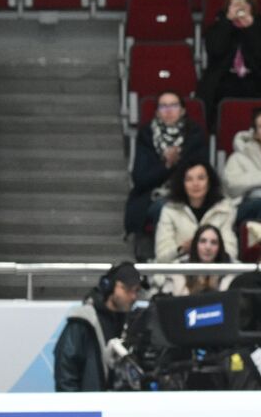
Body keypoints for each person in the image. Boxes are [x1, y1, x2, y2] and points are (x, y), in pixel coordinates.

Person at [124, 90, 209, 248]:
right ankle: (163, 255)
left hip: (190, 194)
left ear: (182, 110)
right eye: (163, 106)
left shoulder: (195, 134)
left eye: (173, 105)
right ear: (157, 112)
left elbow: (202, 172)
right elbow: (140, 179)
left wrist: (179, 161)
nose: (169, 110)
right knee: (164, 207)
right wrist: (167, 166)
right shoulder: (147, 135)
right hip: (153, 196)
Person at [197, 0, 261, 126]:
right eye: (235, 4)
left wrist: (251, 28)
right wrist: (227, 22)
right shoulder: (218, 26)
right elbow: (215, 50)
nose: (240, 7)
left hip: (255, 78)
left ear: (252, 8)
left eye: (245, 4)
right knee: (213, 94)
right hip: (224, 78)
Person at [53, 263, 143, 391]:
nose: (133, 296)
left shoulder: (135, 321)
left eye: (137, 290)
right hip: (90, 407)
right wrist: (75, 406)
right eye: (127, 289)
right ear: (109, 286)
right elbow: (66, 370)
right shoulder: (83, 322)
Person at [155, 159, 240, 262]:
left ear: (209, 182)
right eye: (189, 179)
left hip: (215, 270)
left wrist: (210, 248)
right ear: (182, 184)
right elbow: (161, 256)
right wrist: (183, 248)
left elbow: (231, 253)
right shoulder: (170, 210)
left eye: (201, 178)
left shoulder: (225, 210)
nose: (195, 184)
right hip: (179, 270)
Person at [160, 224, 235, 296]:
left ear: (220, 247)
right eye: (203, 241)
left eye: (214, 242)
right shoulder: (177, 270)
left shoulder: (232, 271)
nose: (208, 247)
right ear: (195, 245)